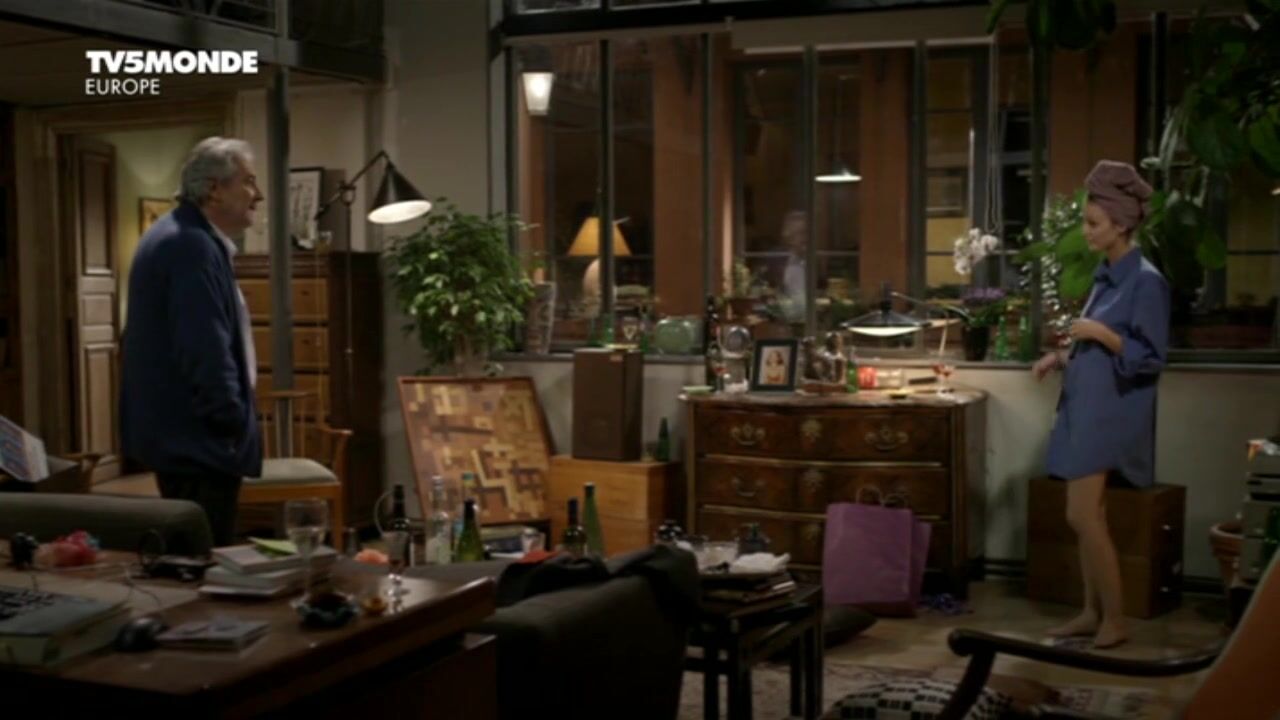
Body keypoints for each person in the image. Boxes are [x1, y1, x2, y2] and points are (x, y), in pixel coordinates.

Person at [1032, 160, 1170, 649]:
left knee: (1082, 515)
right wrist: (1060, 357)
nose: (1086, 231)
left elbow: (1149, 357)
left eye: (1094, 223)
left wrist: (1101, 333)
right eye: (1085, 222)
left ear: (1122, 224)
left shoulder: (1146, 281)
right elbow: (1094, 346)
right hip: (1084, 407)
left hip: (1109, 414)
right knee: (1090, 516)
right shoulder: (1105, 275)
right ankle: (1092, 613)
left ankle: (1115, 620)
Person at [121, 137, 264, 546]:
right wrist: (230, 422)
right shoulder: (189, 245)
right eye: (248, 182)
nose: (257, 195)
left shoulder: (185, 236)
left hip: (189, 437)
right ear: (215, 189)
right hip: (198, 441)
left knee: (194, 553)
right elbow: (205, 347)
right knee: (203, 555)